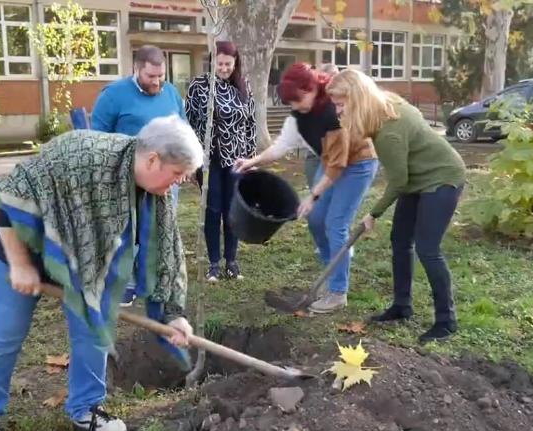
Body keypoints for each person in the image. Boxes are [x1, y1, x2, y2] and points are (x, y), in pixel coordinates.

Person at [0, 116, 201, 431]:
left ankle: (86, 408)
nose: (177, 183)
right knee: (4, 334)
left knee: (93, 331)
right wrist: (19, 264)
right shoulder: (81, 154)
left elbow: (166, 252)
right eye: (177, 174)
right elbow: (7, 195)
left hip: (87, 263)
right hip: (22, 247)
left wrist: (173, 314)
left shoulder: (154, 192)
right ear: (153, 160)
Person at [325, 69, 466, 343]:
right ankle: (402, 306)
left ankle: (446, 321)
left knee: (428, 249)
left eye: (341, 104)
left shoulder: (389, 132)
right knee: (400, 240)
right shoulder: (384, 104)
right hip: (417, 179)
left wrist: (373, 214)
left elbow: (398, 181)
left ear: (358, 100)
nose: (338, 111)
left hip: (442, 178)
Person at [236, 63, 378, 314]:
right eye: (291, 102)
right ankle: (329, 274)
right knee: (315, 220)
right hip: (331, 162)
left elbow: (338, 165)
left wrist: (313, 195)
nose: (295, 106)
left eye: (298, 99)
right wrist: (251, 162)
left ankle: (337, 292)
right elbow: (281, 146)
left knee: (336, 223)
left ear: (312, 87)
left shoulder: (333, 112)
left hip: (358, 164)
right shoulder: (299, 117)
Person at [91, 45, 187, 305]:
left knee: (158, 230)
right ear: (136, 69)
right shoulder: (113, 96)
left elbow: (183, 131)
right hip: (127, 179)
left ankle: (151, 282)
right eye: (150, 77)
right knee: (126, 232)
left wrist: (184, 166)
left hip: (165, 179)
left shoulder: (172, 94)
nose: (157, 82)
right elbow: (96, 138)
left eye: (161, 76)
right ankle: (125, 284)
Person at [186, 41, 256, 281]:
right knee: (213, 210)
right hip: (210, 159)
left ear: (235, 63)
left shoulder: (244, 86)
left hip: (237, 160)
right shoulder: (199, 86)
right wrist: (193, 161)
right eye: (220, 63)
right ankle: (214, 263)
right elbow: (190, 123)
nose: (224, 68)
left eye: (228, 64)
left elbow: (250, 126)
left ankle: (232, 261)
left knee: (232, 211)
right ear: (212, 61)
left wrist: (250, 159)